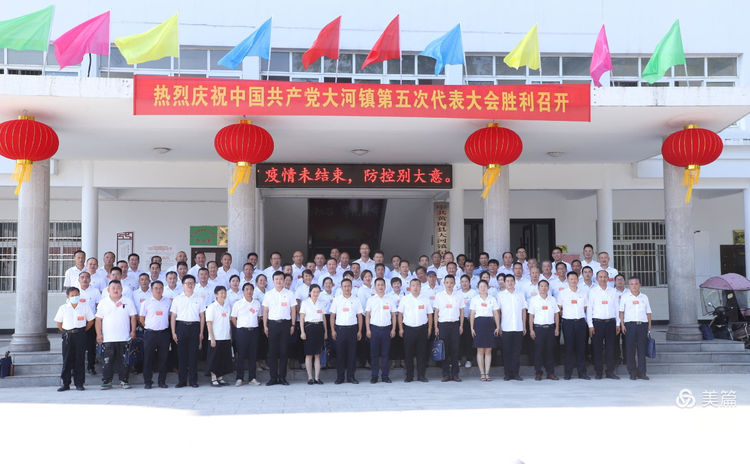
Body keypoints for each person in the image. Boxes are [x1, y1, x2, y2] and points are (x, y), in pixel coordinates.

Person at [95, 280, 137, 389]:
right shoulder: (103, 302)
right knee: (107, 361)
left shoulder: (128, 301)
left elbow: (133, 317)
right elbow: (98, 319)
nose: (115, 290)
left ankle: (124, 381)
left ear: (122, 289)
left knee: (123, 361)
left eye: (118, 287)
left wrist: (133, 331)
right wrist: (99, 334)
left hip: (124, 337)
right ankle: (107, 381)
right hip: (107, 338)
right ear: (108, 290)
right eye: (113, 288)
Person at [54, 287, 95, 391]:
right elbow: (59, 323)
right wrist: (65, 331)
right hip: (68, 335)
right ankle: (65, 383)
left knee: (79, 359)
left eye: (76, 295)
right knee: (67, 359)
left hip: (80, 334)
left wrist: (82, 331)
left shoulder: (85, 307)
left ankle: (79, 383)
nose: (75, 297)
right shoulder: (63, 308)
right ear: (68, 297)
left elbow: (91, 321)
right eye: (72, 295)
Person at [170, 275, 205, 388]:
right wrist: (173, 332)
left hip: (195, 327)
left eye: (192, 283)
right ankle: (182, 381)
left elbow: (202, 316)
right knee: (182, 355)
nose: (190, 285)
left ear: (194, 285)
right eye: (187, 283)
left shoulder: (199, 299)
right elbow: (173, 316)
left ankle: (193, 381)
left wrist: (201, 332)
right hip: (181, 327)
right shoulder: (177, 299)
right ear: (183, 285)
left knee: (193, 355)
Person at [262, 271, 297, 386]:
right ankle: (273, 378)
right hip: (272, 324)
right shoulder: (268, 294)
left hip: (285, 324)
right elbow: (265, 311)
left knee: (284, 351)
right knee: (272, 352)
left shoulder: (289, 293)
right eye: (276, 279)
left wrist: (293, 325)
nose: (279, 281)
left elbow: (293, 310)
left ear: (284, 280)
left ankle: (282, 377)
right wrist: (265, 326)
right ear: (273, 281)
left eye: (281, 279)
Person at [587, 270, 621, 380]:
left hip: (611, 323)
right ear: (597, 279)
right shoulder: (592, 291)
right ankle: (598, 372)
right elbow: (589, 309)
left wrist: (618, 323)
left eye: (604, 277)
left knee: (610, 348)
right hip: (597, 323)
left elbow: (617, 308)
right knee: (597, 348)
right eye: (600, 277)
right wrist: (590, 325)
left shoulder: (613, 291)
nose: (602, 279)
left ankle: (610, 372)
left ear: (608, 278)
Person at [398, 279, 434, 382]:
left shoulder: (425, 299)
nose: (415, 287)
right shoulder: (405, 299)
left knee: (421, 353)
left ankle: (421, 375)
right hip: (408, 329)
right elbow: (400, 314)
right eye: (413, 285)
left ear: (420, 287)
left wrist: (429, 329)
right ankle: (409, 375)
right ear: (410, 287)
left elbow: (430, 315)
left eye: (417, 285)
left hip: (422, 329)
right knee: (408, 353)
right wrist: (400, 328)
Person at [557, 272, 590, 380]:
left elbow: (586, 307)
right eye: (571, 279)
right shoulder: (563, 293)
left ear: (578, 280)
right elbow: (559, 308)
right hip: (568, 323)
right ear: (567, 280)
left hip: (580, 322)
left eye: (575, 279)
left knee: (581, 348)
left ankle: (582, 373)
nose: (573, 281)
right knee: (569, 348)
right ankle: (568, 373)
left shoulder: (583, 293)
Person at [139, 280, 172, 389]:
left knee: (164, 358)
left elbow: (169, 316)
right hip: (150, 334)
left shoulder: (168, 301)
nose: (158, 290)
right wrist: (149, 327)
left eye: (160, 288)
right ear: (151, 290)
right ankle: (148, 381)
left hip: (164, 333)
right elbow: (141, 318)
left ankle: (162, 381)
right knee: (148, 358)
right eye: (156, 288)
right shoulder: (146, 302)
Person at [330, 279, 363, 384]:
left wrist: (359, 331)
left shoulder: (356, 300)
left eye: (348, 286)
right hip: (340, 329)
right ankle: (340, 377)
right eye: (344, 286)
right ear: (341, 287)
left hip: (352, 329)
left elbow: (359, 316)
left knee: (352, 354)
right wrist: (333, 330)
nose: (347, 288)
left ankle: (351, 377)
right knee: (340, 354)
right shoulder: (337, 299)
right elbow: (332, 316)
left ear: (351, 287)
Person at [620, 277, 652, 380]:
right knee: (630, 350)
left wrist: (649, 325)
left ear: (640, 285)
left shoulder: (644, 297)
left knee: (642, 350)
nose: (634, 286)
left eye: (636, 283)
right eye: (632, 284)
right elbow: (621, 312)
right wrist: (622, 324)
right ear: (629, 286)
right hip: (630, 325)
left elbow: (648, 312)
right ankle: (632, 372)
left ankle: (642, 373)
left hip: (642, 325)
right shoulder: (625, 297)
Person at [365, 278, 397, 383]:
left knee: (385, 354)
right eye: (378, 285)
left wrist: (393, 329)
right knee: (374, 354)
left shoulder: (390, 299)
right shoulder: (371, 300)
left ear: (385, 286)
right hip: (374, 329)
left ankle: (385, 376)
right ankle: (374, 376)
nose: (380, 287)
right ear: (375, 287)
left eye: (382, 284)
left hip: (387, 329)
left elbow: (394, 315)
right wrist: (368, 329)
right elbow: (367, 316)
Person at [433, 275, 463, 382]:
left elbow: (461, 311)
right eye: (447, 282)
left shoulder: (459, 295)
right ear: (444, 283)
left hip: (455, 324)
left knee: (455, 350)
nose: (449, 285)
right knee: (444, 350)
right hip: (443, 325)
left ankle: (455, 374)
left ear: (454, 284)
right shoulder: (439, 295)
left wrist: (461, 325)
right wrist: (436, 327)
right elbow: (436, 312)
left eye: (451, 282)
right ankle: (445, 374)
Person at [528, 280, 560, 381]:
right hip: (538, 329)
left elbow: (556, 314)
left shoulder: (552, 300)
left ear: (548, 288)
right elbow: (531, 316)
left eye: (545, 286)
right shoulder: (533, 300)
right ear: (538, 288)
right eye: (541, 286)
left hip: (550, 328)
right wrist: (531, 330)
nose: (543, 288)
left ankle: (550, 373)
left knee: (550, 351)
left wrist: (557, 328)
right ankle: (538, 373)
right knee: (538, 352)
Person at [231, 282, 262, 386]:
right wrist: (239, 326)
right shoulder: (238, 303)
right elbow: (233, 318)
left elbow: (259, 317)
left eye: (251, 289)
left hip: (254, 331)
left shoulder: (257, 303)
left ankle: (252, 378)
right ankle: (239, 378)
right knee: (241, 355)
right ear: (243, 291)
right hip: (242, 332)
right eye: (247, 289)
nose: (249, 291)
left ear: (253, 291)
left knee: (253, 355)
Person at [470, 280, 500, 381]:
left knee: (488, 350)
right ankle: (482, 373)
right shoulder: (475, 299)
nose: (483, 288)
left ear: (488, 287)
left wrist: (498, 326)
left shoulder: (492, 299)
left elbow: (496, 313)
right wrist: (471, 328)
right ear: (478, 288)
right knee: (480, 349)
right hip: (478, 324)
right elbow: (472, 314)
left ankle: (487, 373)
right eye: (481, 286)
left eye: (484, 286)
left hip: (489, 324)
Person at [498, 275, 527, 381]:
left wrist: (524, 326)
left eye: (511, 281)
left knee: (516, 352)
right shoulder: (500, 295)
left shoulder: (520, 294)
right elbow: (498, 312)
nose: (510, 283)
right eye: (507, 281)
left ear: (514, 282)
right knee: (506, 352)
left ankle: (516, 374)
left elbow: (523, 311)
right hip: (505, 327)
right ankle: (507, 374)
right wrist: (498, 326)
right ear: (504, 283)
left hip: (518, 327)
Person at [299, 283, 328, 385]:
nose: (316, 294)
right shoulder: (305, 303)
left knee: (317, 354)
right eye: (314, 292)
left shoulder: (321, 303)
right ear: (310, 292)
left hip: (319, 328)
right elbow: (302, 318)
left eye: (317, 292)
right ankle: (310, 377)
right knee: (309, 354)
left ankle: (317, 377)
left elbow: (324, 318)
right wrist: (302, 332)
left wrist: (325, 331)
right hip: (309, 328)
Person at [205, 286, 233, 386]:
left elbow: (229, 322)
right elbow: (209, 323)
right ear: (216, 295)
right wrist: (212, 338)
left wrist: (230, 336)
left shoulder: (227, 306)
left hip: (225, 337)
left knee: (223, 359)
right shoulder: (212, 307)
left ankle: (220, 377)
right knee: (214, 359)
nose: (223, 295)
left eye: (224, 293)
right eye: (221, 293)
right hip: (215, 338)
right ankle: (213, 378)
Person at [76, 271, 101, 375]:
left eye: (87, 277)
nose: (84, 279)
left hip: (91, 322)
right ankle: (76, 368)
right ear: (78, 279)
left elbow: (98, 307)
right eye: (82, 277)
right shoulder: (75, 291)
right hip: (78, 322)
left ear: (90, 279)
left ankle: (91, 367)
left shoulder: (95, 291)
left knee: (91, 346)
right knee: (78, 346)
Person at [458, 274, 477, 368]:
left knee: (469, 340)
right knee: (459, 340)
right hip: (459, 320)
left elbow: (475, 305)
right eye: (462, 282)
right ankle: (458, 359)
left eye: (466, 281)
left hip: (470, 320)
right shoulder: (458, 293)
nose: (464, 283)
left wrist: (470, 315)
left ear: (469, 283)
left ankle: (469, 360)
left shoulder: (473, 293)